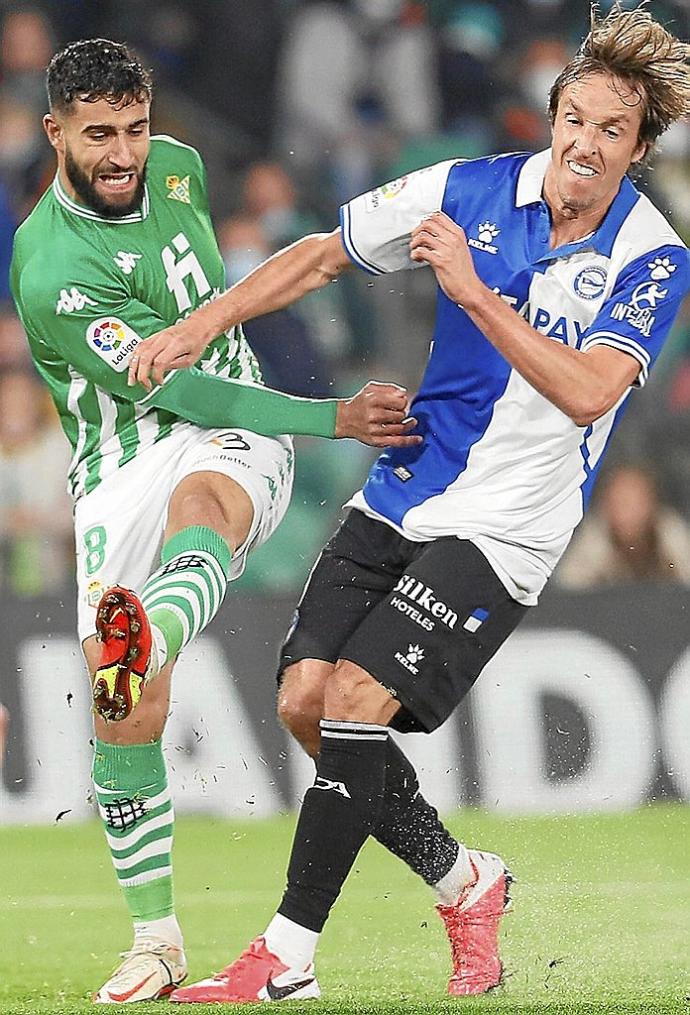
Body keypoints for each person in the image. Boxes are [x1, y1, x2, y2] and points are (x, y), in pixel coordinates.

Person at [135, 4, 690, 1004]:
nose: (586, 142)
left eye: (614, 129)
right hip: (405, 486)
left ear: (642, 146)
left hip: (505, 529)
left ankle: (285, 959)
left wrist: (475, 292)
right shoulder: (469, 189)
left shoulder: (654, 256)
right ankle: (464, 880)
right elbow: (321, 253)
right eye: (576, 117)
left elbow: (589, 391)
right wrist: (198, 325)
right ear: (551, 114)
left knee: (353, 699)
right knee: (306, 703)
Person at [10, 38, 420, 1004]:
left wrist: (309, 422)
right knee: (124, 709)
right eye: (100, 134)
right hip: (116, 465)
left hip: (234, 429)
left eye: (138, 128)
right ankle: (157, 941)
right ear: (54, 132)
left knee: (201, 510)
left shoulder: (184, 172)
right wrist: (336, 416)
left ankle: (147, 629)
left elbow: (214, 382)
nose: (124, 153)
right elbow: (170, 385)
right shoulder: (48, 267)